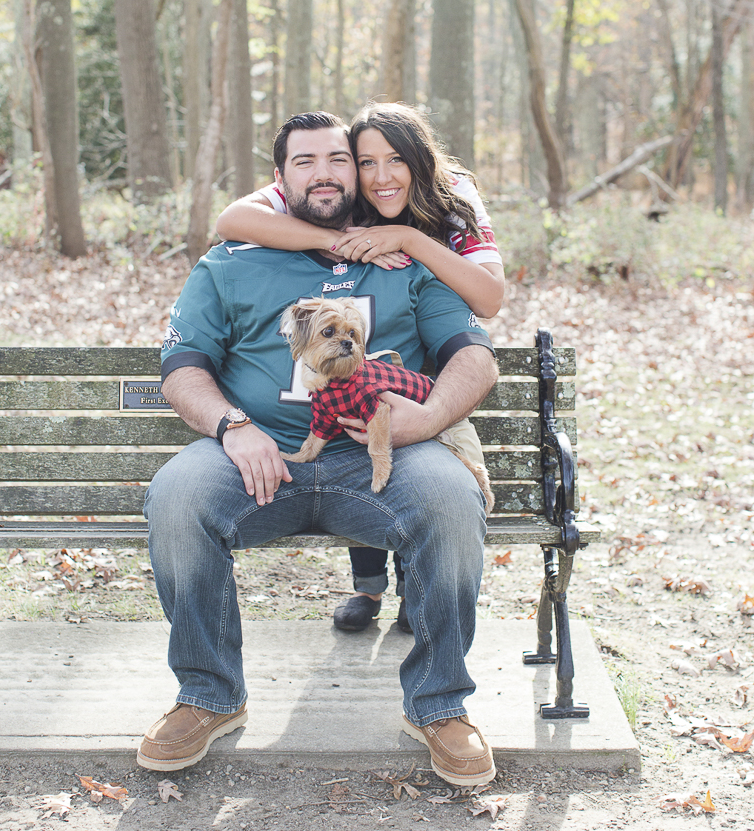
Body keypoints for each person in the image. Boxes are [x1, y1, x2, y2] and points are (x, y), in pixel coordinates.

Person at [139, 111, 499, 787]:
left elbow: (474, 356)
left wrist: (431, 418)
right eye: (305, 161)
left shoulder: (402, 259)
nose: (325, 172)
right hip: (258, 457)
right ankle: (208, 695)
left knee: (450, 500)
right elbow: (183, 368)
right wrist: (229, 426)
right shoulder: (231, 262)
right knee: (178, 495)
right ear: (278, 179)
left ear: (357, 173)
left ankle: (439, 705)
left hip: (383, 457)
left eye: (339, 158)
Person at [215, 101, 505, 633]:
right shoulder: (340, 192)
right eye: (364, 162)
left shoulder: (455, 192)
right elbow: (231, 220)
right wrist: (337, 241)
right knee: (358, 419)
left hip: (439, 335)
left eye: (394, 160)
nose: (379, 176)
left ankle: (420, 593)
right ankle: (368, 589)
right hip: (371, 335)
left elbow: (488, 298)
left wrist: (410, 240)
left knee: (426, 457)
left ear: (421, 161)